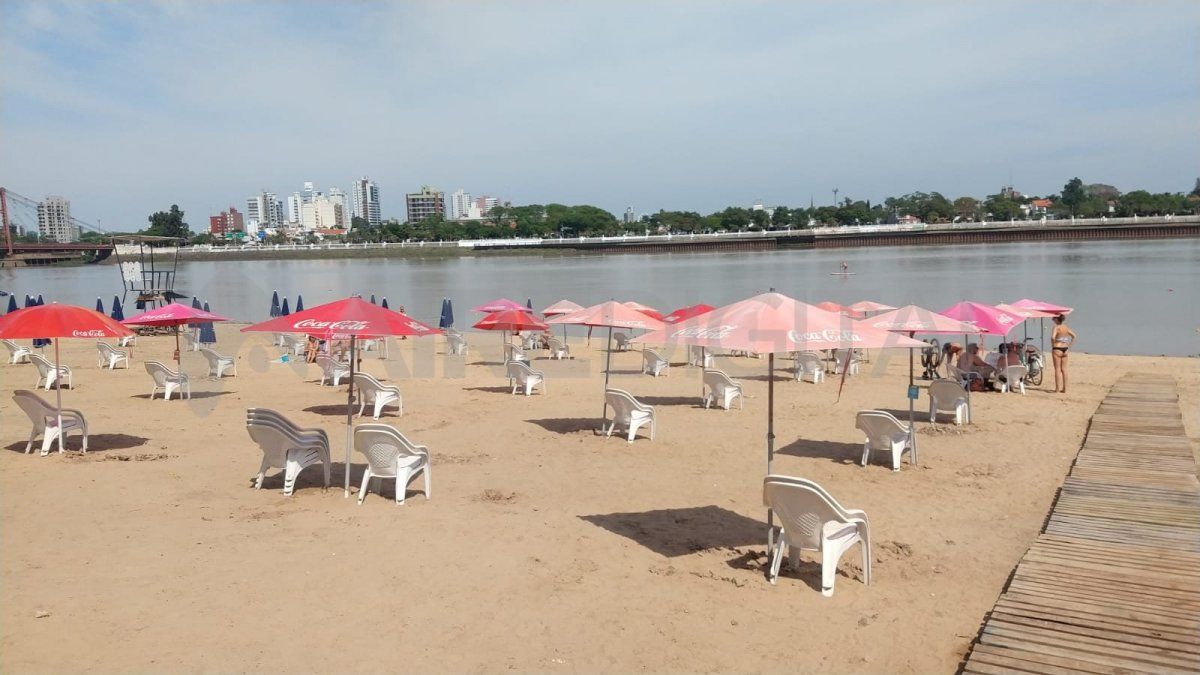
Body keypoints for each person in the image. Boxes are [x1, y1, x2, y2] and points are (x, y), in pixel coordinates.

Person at [1051, 314, 1077, 393]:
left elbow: (1052, 337)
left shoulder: (1056, 327)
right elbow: (1074, 336)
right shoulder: (1065, 327)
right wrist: (1069, 345)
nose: (1053, 320)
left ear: (1057, 319)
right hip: (1065, 349)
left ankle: (1057, 389)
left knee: (1057, 369)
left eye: (1054, 318)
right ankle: (1065, 389)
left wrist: (1053, 343)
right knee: (1064, 369)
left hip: (1057, 348)